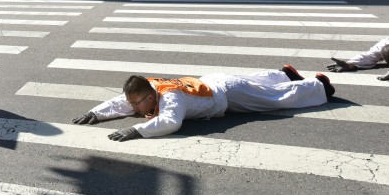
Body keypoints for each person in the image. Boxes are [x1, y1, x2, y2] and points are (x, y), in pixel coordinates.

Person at [71, 67, 334, 140]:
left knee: (272, 100)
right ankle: (285, 74)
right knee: (261, 86)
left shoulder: (170, 97)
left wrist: (136, 131)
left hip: (228, 94)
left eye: (138, 104)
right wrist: (96, 113)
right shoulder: (148, 87)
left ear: (150, 96)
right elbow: (123, 101)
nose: (134, 109)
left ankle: (318, 84)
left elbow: (171, 122)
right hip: (214, 82)